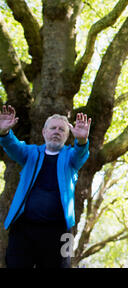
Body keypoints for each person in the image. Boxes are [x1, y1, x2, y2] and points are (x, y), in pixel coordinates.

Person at [0, 105, 91, 268]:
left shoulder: (70, 158)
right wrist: (5, 133)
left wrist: (82, 141)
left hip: (61, 230)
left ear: (67, 135)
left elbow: (80, 154)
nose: (57, 131)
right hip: (23, 229)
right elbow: (13, 146)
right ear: (44, 132)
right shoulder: (30, 153)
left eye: (62, 129)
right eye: (53, 128)